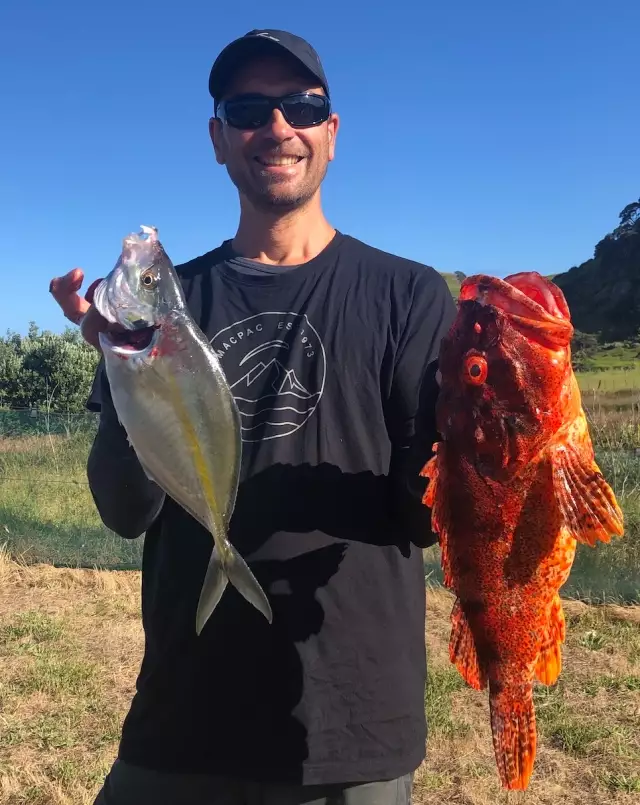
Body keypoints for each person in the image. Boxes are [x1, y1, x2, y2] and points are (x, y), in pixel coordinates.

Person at [50, 28, 456, 805]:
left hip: (350, 730)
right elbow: (125, 511)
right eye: (248, 109)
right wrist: (123, 368)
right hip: (181, 718)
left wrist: (500, 418)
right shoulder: (172, 303)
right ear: (218, 139)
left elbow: (423, 515)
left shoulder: (408, 296)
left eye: (302, 106)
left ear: (332, 134)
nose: (277, 127)